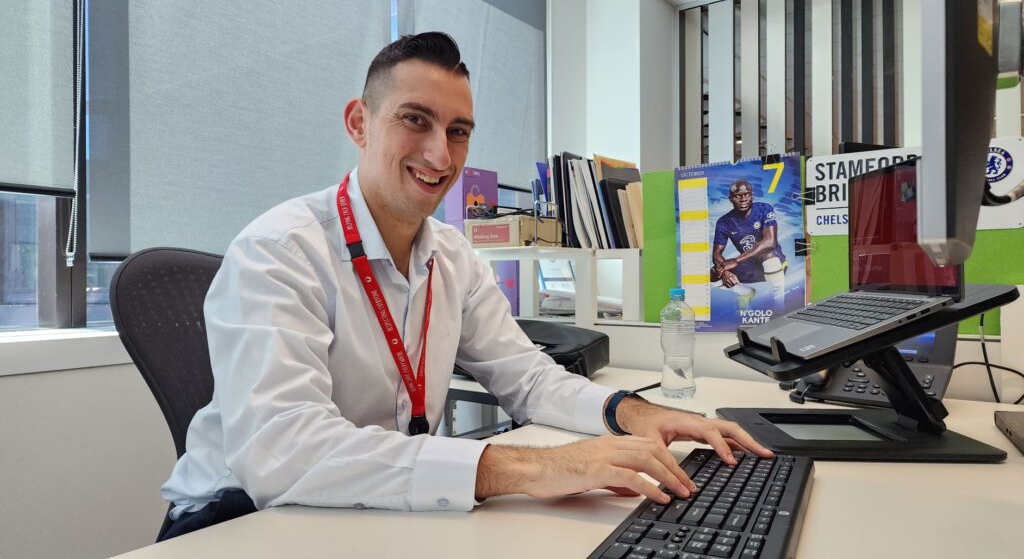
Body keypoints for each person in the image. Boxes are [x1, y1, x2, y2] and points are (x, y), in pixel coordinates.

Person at [158, 32, 772, 540]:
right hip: (236, 518)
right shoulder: (280, 250)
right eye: (415, 120)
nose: (440, 154)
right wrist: (534, 467)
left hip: (362, 504)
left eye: (458, 131)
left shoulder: (452, 255)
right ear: (359, 122)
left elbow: (528, 379)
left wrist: (632, 413)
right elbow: (283, 453)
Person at [712, 180, 788, 309]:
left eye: (747, 194)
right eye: (738, 196)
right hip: (750, 266)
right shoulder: (724, 222)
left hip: (775, 262)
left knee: (768, 255)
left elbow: (770, 242)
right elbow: (716, 253)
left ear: (751, 195)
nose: (743, 199)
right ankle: (746, 292)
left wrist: (737, 260)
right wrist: (724, 272)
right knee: (713, 273)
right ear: (731, 199)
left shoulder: (764, 209)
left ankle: (780, 306)